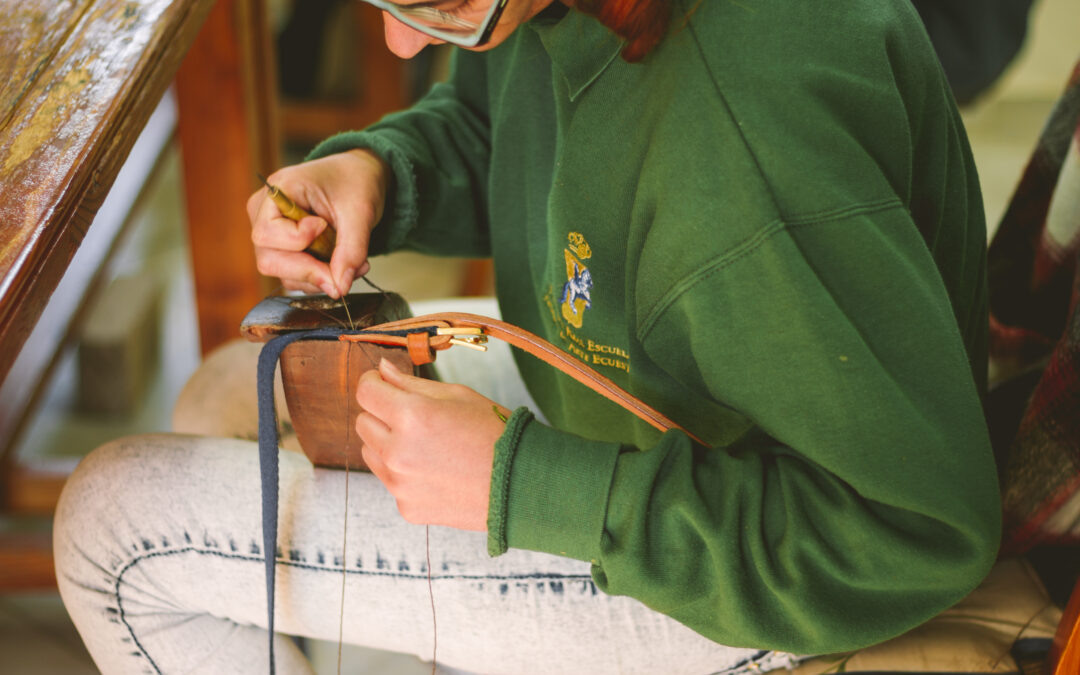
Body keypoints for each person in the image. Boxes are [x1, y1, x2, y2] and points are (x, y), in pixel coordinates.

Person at [53, 0, 1002, 673]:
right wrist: (381, 172)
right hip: (641, 384)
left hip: (740, 583)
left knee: (115, 527)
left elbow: (911, 537)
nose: (395, 35)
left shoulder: (748, 161)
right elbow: (502, 121)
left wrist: (519, 482)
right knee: (234, 388)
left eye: (440, 3)